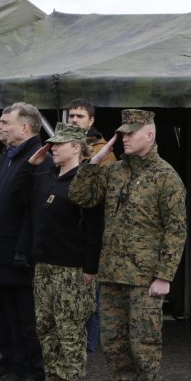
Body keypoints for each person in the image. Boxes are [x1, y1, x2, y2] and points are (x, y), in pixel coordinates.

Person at [70, 109, 186, 381]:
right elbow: (80, 196)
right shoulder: (115, 171)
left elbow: (176, 230)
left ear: (150, 134)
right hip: (112, 271)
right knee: (113, 338)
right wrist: (96, 159)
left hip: (145, 276)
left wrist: (164, 275)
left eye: (132, 133)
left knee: (144, 339)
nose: (126, 139)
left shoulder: (166, 177)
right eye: (122, 133)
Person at [11, 122, 103, 381]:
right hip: (45, 266)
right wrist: (30, 163)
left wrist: (91, 267)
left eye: (59, 144)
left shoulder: (84, 180)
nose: (52, 148)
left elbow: (95, 229)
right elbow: (17, 194)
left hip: (73, 269)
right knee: (46, 326)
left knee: (70, 328)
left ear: (76, 147)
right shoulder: (48, 176)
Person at [0, 103, 46, 381]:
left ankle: (32, 371)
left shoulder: (38, 159)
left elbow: (33, 210)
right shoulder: (7, 155)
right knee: (4, 313)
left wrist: (23, 250)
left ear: (25, 128)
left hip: (19, 254)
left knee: (25, 317)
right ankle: (11, 363)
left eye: (6, 122)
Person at [65, 98, 114, 354]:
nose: (74, 120)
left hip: (90, 227)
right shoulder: (63, 145)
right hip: (68, 228)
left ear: (91, 120)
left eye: (79, 117)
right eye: (71, 116)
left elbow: (100, 195)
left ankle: (88, 346)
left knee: (90, 295)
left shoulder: (103, 152)